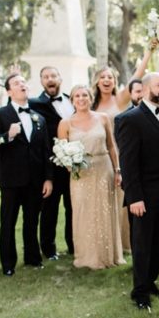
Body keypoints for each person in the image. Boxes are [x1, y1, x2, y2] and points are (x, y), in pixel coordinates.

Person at [114, 72, 159, 310]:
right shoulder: (130, 119)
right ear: (147, 87)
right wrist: (135, 197)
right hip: (143, 196)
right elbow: (128, 162)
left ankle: (150, 282)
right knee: (142, 245)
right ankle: (139, 292)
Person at [93, 39, 158, 254]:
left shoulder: (119, 99)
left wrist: (148, 51)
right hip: (98, 156)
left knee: (122, 198)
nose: (106, 80)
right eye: (102, 77)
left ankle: (125, 243)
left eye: (110, 77)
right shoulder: (91, 104)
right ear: (96, 81)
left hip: (120, 153)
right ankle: (103, 243)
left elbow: (137, 77)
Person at [0, 73, 54, 277]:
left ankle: (33, 257)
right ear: (9, 91)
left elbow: (45, 151)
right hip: (11, 179)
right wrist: (8, 135)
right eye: (17, 83)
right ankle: (8, 263)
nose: (22, 85)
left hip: (35, 180)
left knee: (31, 220)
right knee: (8, 222)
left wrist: (48, 178)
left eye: (24, 82)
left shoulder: (39, 118)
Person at [58, 85, 125, 270]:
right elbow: (62, 152)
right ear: (72, 100)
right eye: (77, 96)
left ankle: (108, 255)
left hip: (104, 168)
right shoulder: (65, 123)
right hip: (81, 174)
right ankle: (86, 256)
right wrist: (69, 165)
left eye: (84, 95)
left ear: (90, 97)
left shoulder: (102, 118)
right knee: (83, 213)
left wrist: (117, 169)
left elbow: (112, 146)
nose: (81, 99)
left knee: (105, 211)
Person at [30, 66, 75, 260]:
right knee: (50, 210)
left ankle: (74, 246)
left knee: (73, 207)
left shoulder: (72, 100)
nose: (50, 79)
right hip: (50, 168)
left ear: (60, 78)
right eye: (46, 77)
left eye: (53, 76)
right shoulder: (34, 104)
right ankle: (49, 249)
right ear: (41, 81)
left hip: (74, 165)